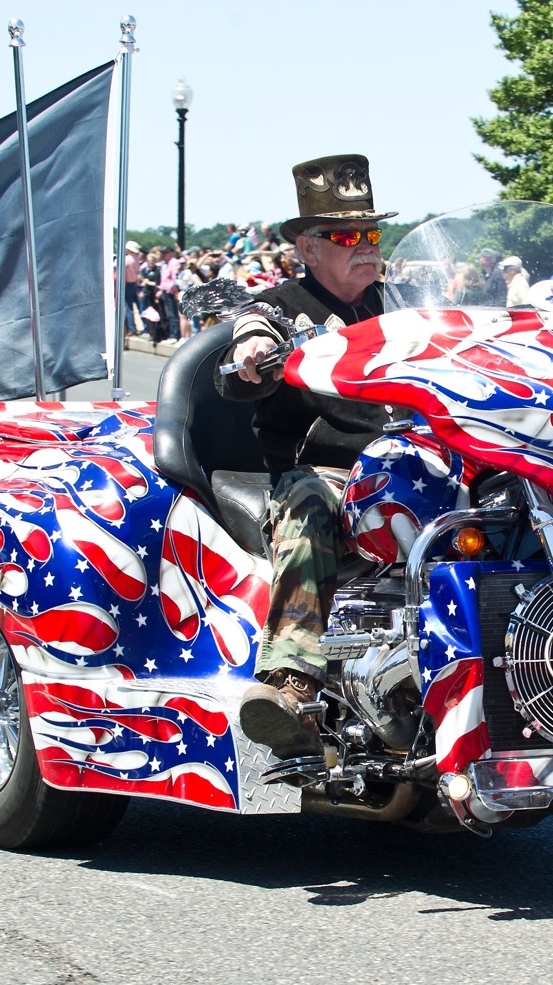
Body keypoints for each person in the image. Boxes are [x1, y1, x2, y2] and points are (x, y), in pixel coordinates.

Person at [220, 153, 399, 760]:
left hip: (405, 463)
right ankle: (292, 678)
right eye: (346, 235)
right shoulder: (278, 305)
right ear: (306, 247)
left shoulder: (400, 306)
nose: (365, 246)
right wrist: (252, 352)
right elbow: (249, 342)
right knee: (311, 506)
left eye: (372, 234)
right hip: (326, 471)